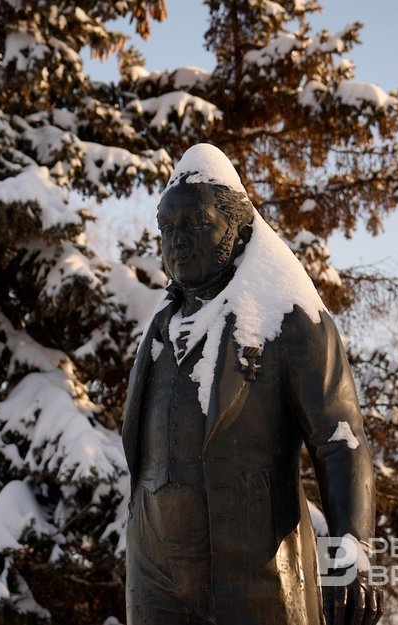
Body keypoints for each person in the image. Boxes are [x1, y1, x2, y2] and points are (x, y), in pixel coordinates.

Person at [121, 144, 383, 625]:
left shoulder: (287, 317)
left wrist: (352, 551)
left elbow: (340, 441)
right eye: (168, 228)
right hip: (156, 579)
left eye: (196, 223)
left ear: (238, 229)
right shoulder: (159, 331)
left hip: (255, 578)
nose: (177, 240)